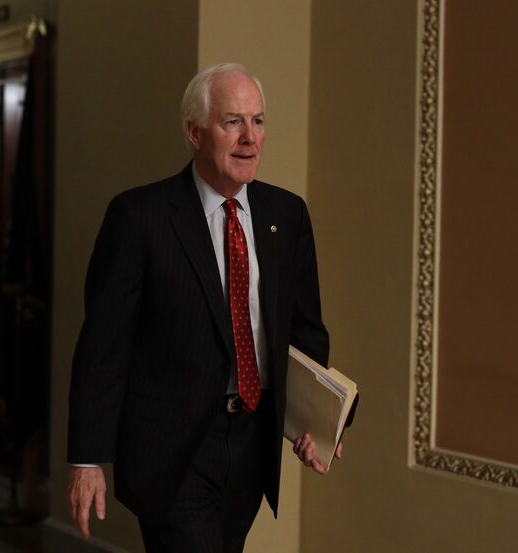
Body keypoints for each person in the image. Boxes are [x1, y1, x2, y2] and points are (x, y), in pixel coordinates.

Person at [67, 62, 342, 553]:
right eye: (232, 121)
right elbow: (104, 345)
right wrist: (87, 459)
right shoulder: (140, 217)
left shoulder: (287, 215)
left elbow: (304, 334)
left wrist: (318, 426)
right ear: (195, 133)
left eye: (258, 121)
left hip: (251, 446)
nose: (249, 138)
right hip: (172, 452)